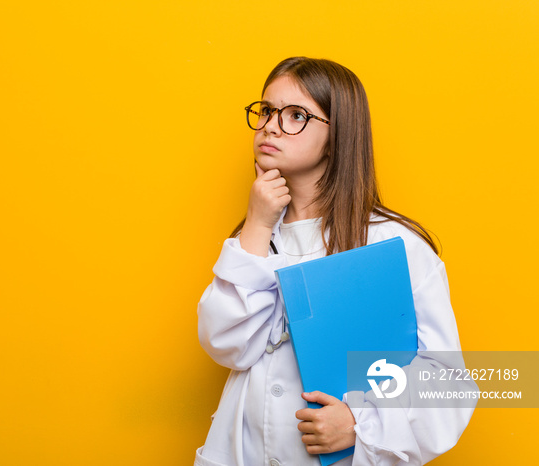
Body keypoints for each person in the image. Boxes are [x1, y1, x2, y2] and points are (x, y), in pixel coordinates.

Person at [195, 57, 475, 466]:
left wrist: (360, 422)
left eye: (296, 115)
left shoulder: (393, 243)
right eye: (267, 110)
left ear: (339, 133)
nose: (271, 125)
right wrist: (255, 227)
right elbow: (225, 345)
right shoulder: (254, 235)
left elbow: (447, 385)